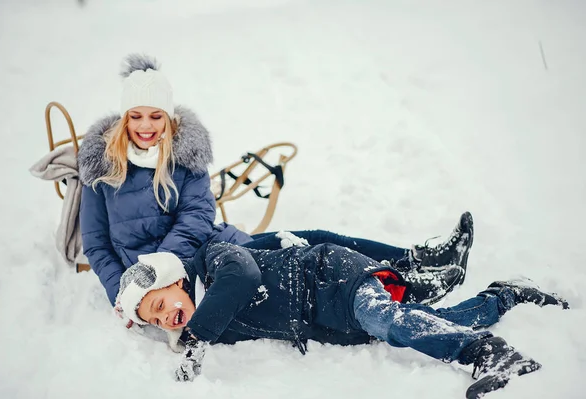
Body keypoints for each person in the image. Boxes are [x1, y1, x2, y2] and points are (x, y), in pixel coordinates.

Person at [77, 53, 470, 310]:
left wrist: (165, 259)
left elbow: (198, 215)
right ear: (124, 118)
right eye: (137, 116)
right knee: (316, 268)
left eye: (155, 116)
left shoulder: (184, 152)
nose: (146, 126)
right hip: (191, 277)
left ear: (169, 119)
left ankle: (418, 259)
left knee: (315, 238)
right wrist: (123, 291)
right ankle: (408, 287)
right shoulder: (102, 167)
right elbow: (96, 243)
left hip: (217, 247)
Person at [115, 243, 569, 399]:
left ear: (177, 280)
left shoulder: (214, 263)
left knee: (387, 319)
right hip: (335, 321)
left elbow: (246, 274)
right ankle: (505, 295)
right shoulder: (208, 323)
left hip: (334, 279)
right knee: (425, 322)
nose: (166, 318)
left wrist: (196, 338)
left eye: (160, 304)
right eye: (157, 321)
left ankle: (487, 353)